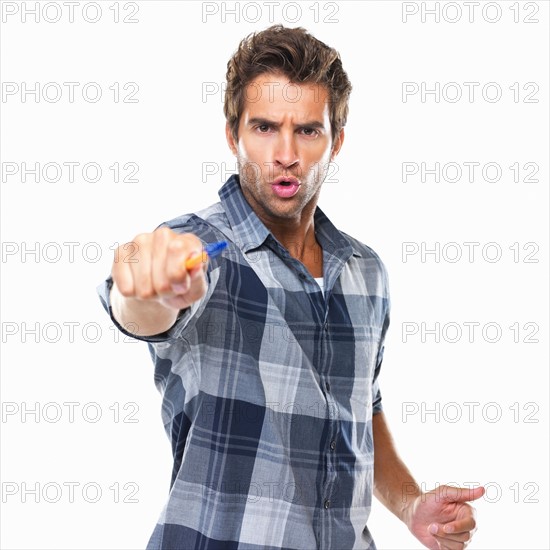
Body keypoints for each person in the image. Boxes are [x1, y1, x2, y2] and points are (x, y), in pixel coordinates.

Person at [97, 24, 484, 550]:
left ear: (336, 141)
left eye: (307, 130)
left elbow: (359, 417)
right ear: (232, 135)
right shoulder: (198, 250)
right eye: (264, 128)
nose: (285, 153)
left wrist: (412, 505)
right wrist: (143, 285)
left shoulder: (365, 272)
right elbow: (142, 307)